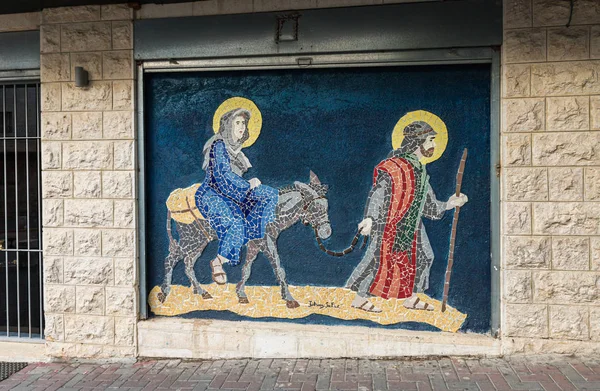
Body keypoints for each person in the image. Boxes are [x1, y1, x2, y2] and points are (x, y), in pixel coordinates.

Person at [345, 120, 468, 312]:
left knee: (424, 256)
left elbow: (430, 207)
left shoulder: (420, 170)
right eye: (431, 140)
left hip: (412, 225)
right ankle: (359, 299)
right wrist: (370, 218)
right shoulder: (394, 167)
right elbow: (378, 193)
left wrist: (450, 204)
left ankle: (411, 298)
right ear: (418, 142)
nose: (434, 145)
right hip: (388, 223)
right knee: (376, 260)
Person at [195, 108, 278, 285]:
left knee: (269, 194)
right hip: (212, 194)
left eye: (244, 123)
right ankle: (218, 261)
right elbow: (222, 177)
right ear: (227, 125)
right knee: (235, 222)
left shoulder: (238, 153)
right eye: (237, 122)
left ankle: (256, 233)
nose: (242, 126)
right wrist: (247, 185)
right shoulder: (218, 145)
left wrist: (247, 187)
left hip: (233, 194)